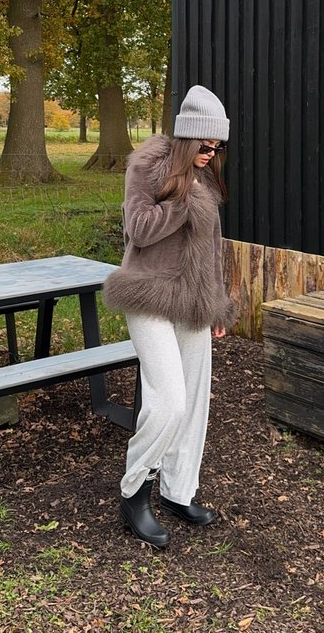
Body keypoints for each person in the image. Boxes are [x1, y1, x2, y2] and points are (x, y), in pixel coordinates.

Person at [102, 85, 236, 548]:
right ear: (186, 137)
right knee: (170, 401)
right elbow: (137, 230)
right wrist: (186, 200)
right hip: (148, 294)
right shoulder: (148, 167)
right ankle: (135, 489)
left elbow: (211, 250)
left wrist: (218, 302)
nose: (210, 153)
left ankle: (179, 492)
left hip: (194, 301)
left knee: (195, 404)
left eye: (217, 146)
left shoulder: (208, 178)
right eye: (204, 144)